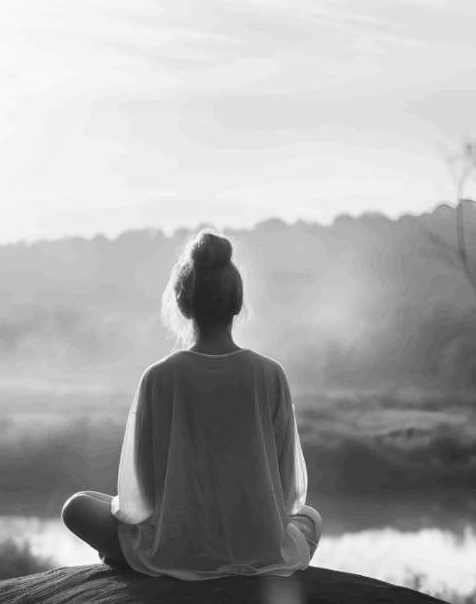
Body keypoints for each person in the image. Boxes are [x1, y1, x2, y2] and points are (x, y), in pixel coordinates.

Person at [61, 230, 322, 579]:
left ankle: (134, 560)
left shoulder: (158, 377)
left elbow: (140, 498)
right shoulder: (270, 374)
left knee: (76, 507)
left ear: (183, 304)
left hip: (176, 550)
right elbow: (289, 494)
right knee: (312, 517)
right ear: (237, 302)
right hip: (258, 549)